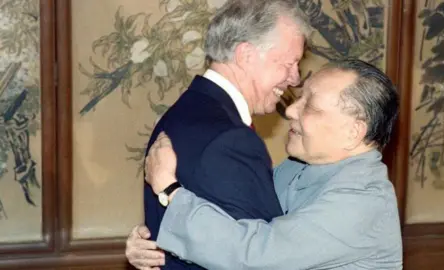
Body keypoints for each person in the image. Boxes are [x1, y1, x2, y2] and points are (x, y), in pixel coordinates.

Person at [132, 59, 403, 269]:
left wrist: (170, 191)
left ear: (353, 132)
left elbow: (253, 256)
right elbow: (232, 223)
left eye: (310, 106)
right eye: (300, 98)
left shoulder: (363, 202)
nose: (291, 110)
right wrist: (158, 248)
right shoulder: (296, 169)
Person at [139, 0, 310, 269]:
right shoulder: (230, 139)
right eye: (290, 63)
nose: (295, 78)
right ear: (246, 55)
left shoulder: (181, 113)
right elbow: (260, 258)